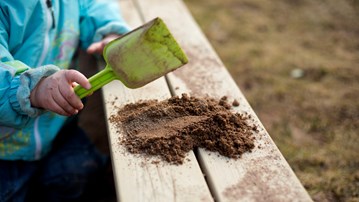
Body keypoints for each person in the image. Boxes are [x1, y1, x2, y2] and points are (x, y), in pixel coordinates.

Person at [0, 0, 130, 201]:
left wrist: (108, 31)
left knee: (77, 175)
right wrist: (33, 89)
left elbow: (92, 4)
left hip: (59, 131)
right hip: (7, 154)